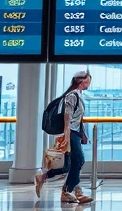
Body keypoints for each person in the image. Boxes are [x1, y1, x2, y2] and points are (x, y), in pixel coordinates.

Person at [35, 71, 93, 204]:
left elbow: (77, 119)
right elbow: (67, 119)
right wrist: (66, 137)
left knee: (69, 165)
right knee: (78, 161)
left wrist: (83, 135)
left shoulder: (77, 95)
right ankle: (68, 191)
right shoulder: (72, 96)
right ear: (81, 81)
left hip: (75, 134)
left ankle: (44, 178)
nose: (89, 83)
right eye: (88, 80)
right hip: (71, 134)